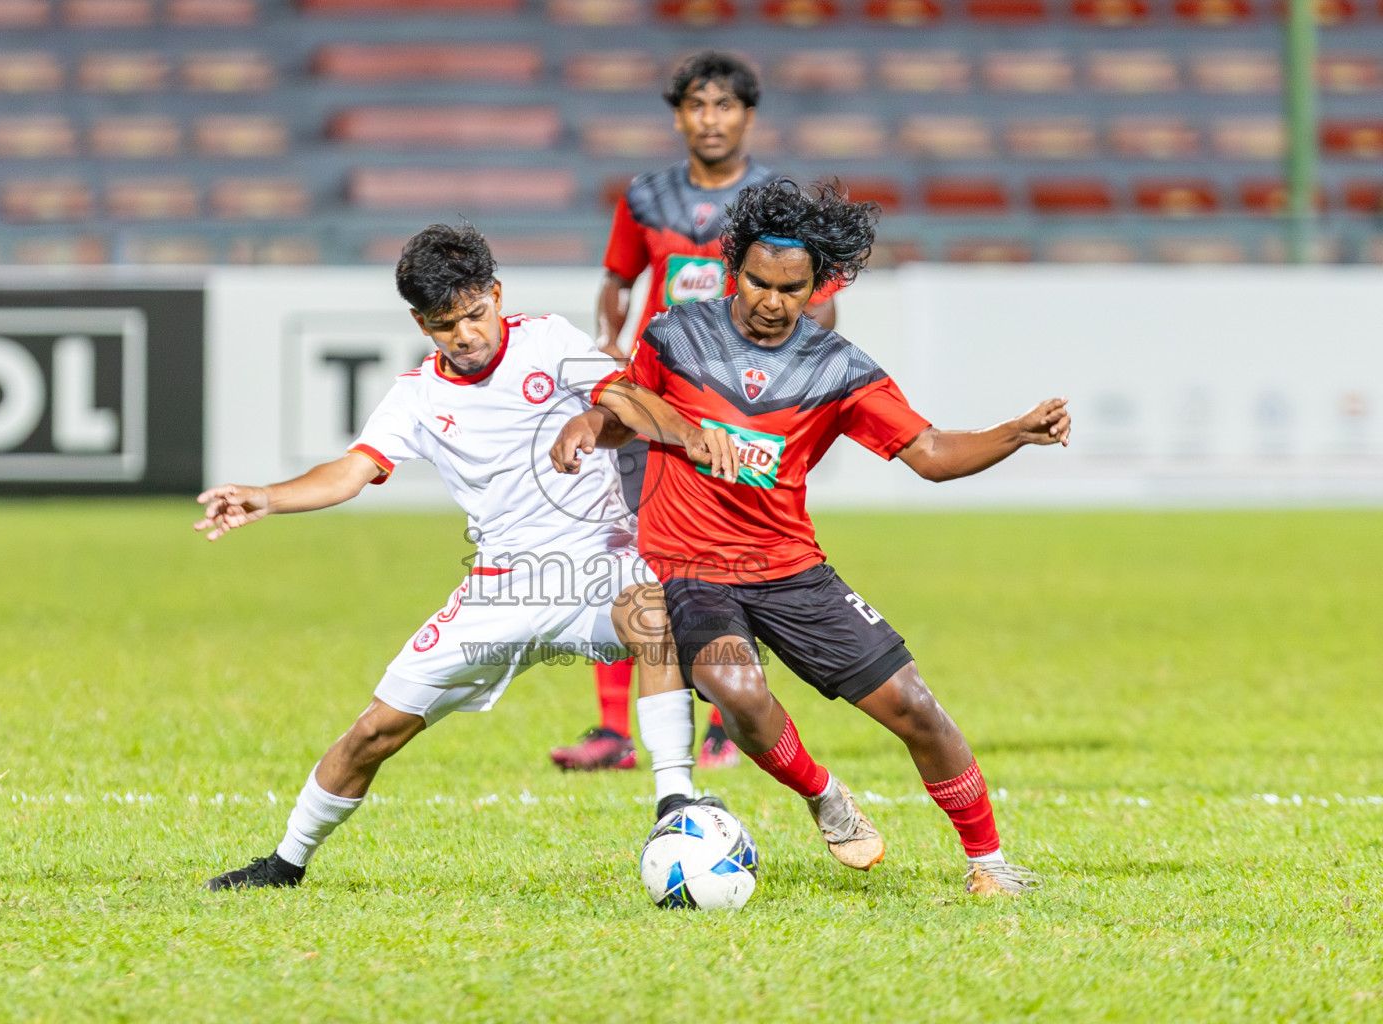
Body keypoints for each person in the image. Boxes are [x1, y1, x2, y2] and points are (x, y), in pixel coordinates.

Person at [553, 180, 1072, 896]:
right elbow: (631, 415)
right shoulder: (674, 335)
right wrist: (589, 424)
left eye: (790, 290)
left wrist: (1015, 432)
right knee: (736, 688)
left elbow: (930, 455)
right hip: (692, 568)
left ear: (817, 286)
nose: (770, 301)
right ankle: (822, 793)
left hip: (791, 569)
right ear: (735, 267)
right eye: (758, 281)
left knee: (916, 708)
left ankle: (988, 864)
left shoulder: (840, 369)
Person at [196, 223, 739, 891]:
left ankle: (675, 803)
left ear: (497, 295)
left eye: (476, 314)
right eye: (445, 324)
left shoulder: (549, 342)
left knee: (652, 612)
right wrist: (267, 498)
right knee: (375, 733)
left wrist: (689, 434)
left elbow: (623, 399)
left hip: (597, 566)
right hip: (500, 589)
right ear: (422, 324)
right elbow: (350, 471)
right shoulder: (418, 397)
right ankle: (283, 865)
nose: (467, 336)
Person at [551, 50, 837, 774]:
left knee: (740, 554)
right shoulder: (645, 197)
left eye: (726, 105)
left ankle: (725, 720)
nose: (711, 119)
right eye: (698, 106)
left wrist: (791, 370)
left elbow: (823, 302)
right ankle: (614, 730)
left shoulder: (777, 202)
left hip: (744, 407)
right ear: (679, 115)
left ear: (748, 114)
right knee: (630, 554)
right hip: (656, 401)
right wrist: (612, 341)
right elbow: (618, 279)